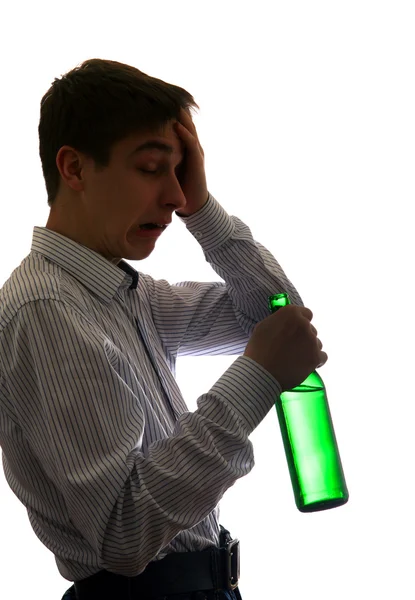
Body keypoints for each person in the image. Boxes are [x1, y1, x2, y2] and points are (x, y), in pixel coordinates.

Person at [0, 59, 327, 600]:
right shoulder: (45, 312)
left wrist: (204, 207)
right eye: (153, 169)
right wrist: (254, 380)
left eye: (182, 174)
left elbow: (282, 314)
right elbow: (125, 536)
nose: (175, 198)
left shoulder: (133, 297)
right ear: (75, 169)